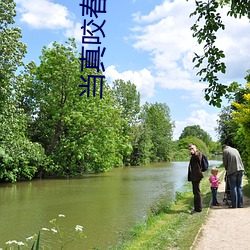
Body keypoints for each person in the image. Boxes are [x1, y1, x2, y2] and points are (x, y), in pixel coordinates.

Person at [188, 143, 204, 214]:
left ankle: (198, 209)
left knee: (196, 192)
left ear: (195, 148)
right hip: (195, 176)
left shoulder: (198, 154)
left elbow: (198, 158)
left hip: (196, 176)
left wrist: (194, 152)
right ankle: (197, 208)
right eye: (190, 149)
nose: (191, 150)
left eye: (192, 148)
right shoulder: (194, 155)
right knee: (196, 192)